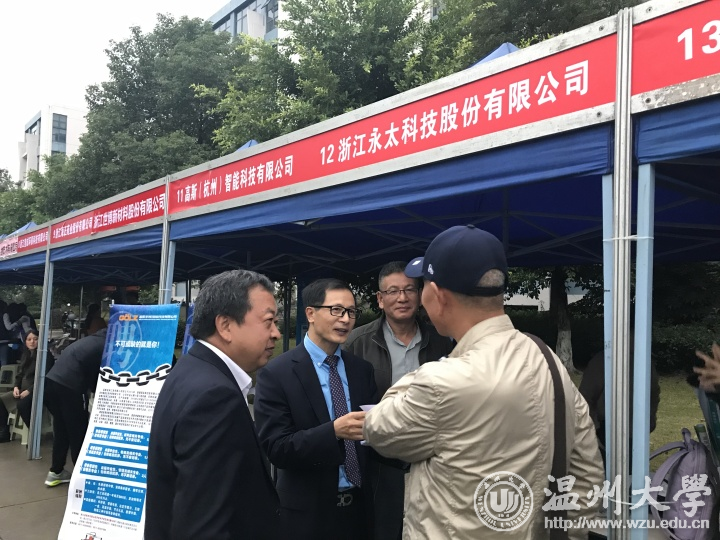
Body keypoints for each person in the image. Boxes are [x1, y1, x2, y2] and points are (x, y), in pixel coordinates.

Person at [363, 225, 603, 539]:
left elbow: (379, 429)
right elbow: (586, 471)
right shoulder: (548, 360)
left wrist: (416, 378)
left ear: (437, 296)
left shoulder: (440, 380)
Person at [145, 269, 281, 540]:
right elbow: (203, 526)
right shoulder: (215, 397)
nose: (276, 333)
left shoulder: (192, 369)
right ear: (225, 326)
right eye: (268, 322)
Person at [254, 278, 378, 540]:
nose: (345, 319)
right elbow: (277, 448)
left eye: (351, 311)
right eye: (336, 310)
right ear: (310, 313)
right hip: (306, 517)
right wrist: (333, 432)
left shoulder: (361, 370)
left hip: (359, 510)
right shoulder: (277, 374)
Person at [344, 261, 454, 540]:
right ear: (380, 299)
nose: (402, 298)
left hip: (432, 460)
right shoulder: (357, 343)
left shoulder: (442, 341)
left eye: (409, 290)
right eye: (392, 291)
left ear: (420, 295)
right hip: (379, 462)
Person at [579, 341, 661, 469]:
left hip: (635, 428)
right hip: (607, 428)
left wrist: (650, 420)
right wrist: (593, 429)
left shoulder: (644, 361)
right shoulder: (603, 360)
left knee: (631, 472)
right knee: (607, 472)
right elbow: (585, 398)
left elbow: (653, 394)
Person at [44, 327, 107, 487]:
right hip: (70, 387)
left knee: (61, 429)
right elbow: (96, 377)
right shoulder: (105, 345)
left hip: (52, 383)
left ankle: (55, 472)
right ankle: (82, 478)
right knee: (78, 431)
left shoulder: (90, 340)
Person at [0, 330, 49, 442]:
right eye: (29, 339)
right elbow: (20, 374)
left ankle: (34, 434)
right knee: (1, 400)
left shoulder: (45, 356)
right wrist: (16, 387)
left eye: (35, 339)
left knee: (22, 405)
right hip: (22, 390)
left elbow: (45, 377)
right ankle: (4, 432)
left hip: (38, 390)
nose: (32, 342)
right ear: (25, 342)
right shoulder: (25, 355)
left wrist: (29, 391)